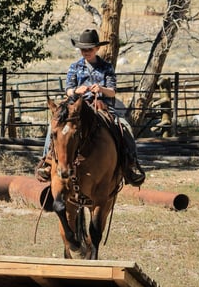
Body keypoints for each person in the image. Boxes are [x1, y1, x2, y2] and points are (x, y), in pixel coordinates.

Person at [36, 29, 145, 186]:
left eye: (89, 49)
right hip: (76, 108)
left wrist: (100, 89)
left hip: (101, 105)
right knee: (54, 126)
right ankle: (47, 161)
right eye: (83, 49)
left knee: (124, 126)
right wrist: (76, 91)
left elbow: (112, 92)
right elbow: (68, 89)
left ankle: (130, 164)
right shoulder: (74, 67)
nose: (86, 52)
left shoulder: (106, 67)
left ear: (97, 49)